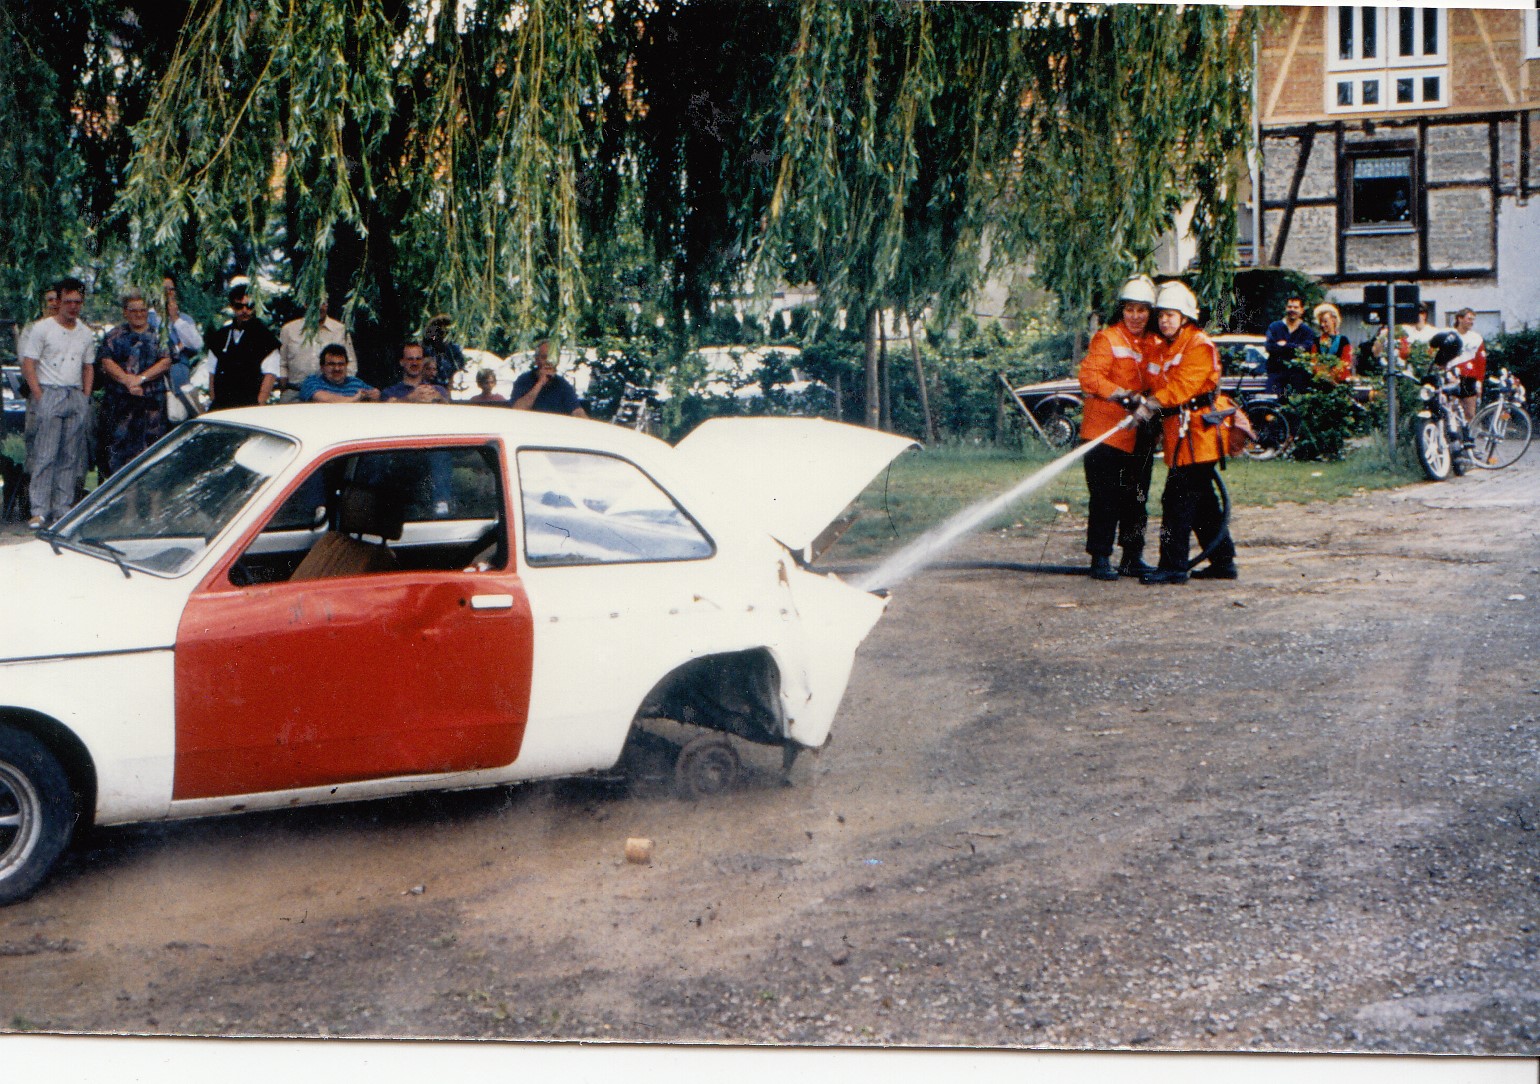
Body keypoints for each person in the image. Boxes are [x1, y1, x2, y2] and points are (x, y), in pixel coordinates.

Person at [1133, 281, 1238, 585]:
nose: (1165, 320)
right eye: (1161, 315)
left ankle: (1173, 566)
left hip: (1199, 435)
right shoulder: (1166, 347)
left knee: (1176, 499)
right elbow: (1156, 381)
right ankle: (1223, 562)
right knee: (1202, 501)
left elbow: (1183, 387)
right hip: (1183, 435)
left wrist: (1151, 404)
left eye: (1171, 315)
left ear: (1185, 317)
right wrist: (1140, 399)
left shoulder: (1198, 344)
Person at [1076, 274, 1159, 580]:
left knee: (1137, 497)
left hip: (1139, 434)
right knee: (1105, 498)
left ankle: (1132, 557)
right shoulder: (1107, 339)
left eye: (1142, 310)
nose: (1135, 316)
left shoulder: (1153, 344)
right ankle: (1100, 558)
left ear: (1151, 313)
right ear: (1121, 310)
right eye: (1130, 309)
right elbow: (1090, 378)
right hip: (1105, 435)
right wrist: (1124, 395)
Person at [20, 277, 95, 528]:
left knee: (70, 456)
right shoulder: (42, 329)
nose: (73, 307)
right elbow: (29, 363)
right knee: (45, 454)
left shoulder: (85, 332)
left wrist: (85, 396)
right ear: (59, 301)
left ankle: (62, 509)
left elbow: (88, 366)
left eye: (78, 302)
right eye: (68, 301)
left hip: (74, 394)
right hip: (49, 392)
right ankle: (39, 510)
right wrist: (39, 395)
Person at [96, 289, 171, 479]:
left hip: (151, 409)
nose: (138, 314)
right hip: (120, 407)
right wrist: (127, 380)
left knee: (152, 457)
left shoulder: (159, 335)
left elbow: (166, 361)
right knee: (116, 457)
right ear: (125, 312)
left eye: (142, 310)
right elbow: (106, 361)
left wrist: (141, 378)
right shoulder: (114, 335)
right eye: (133, 310)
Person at [205, 285, 281, 410]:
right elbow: (212, 374)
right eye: (239, 306)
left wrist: (258, 405)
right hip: (221, 405)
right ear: (232, 307)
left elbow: (270, 376)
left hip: (250, 406)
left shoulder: (266, 338)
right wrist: (215, 402)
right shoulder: (220, 337)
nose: (245, 310)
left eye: (249, 306)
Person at [16, 286, 61, 477]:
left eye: (57, 299)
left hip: (65, 396)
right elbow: (27, 363)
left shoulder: (71, 330)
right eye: (49, 300)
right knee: (37, 447)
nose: (53, 304)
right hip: (39, 394)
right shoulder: (31, 330)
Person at [279, 297, 356, 401]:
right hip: (295, 392)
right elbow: (282, 364)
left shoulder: (340, 330)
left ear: (327, 305)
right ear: (305, 305)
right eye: (314, 303)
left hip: (332, 394)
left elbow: (351, 364)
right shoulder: (289, 329)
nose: (319, 308)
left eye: (322, 303)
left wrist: (341, 388)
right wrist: (283, 387)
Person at [510, 340, 587, 417]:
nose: (548, 362)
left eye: (552, 358)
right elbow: (517, 410)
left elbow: (576, 410)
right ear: (536, 360)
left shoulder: (562, 385)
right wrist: (540, 383)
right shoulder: (524, 380)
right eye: (544, 357)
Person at [1264, 295, 1316, 396]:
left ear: (1302, 310)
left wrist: (1285, 345)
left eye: (1296, 307)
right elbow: (1269, 347)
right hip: (1276, 377)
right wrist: (1296, 348)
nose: (1292, 309)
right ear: (1286, 308)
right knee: (1271, 403)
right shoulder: (1274, 327)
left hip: (1298, 379)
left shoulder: (1307, 331)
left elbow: (1307, 349)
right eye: (1289, 306)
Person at [299, 343, 380, 402]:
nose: (337, 368)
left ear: (346, 365)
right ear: (322, 367)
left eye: (341, 364)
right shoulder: (312, 382)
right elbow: (324, 399)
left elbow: (375, 394)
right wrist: (354, 399)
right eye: (331, 364)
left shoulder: (356, 383)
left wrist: (375, 394)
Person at [1447, 308, 1486, 423]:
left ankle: (1469, 434)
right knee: (1451, 412)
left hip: (1469, 378)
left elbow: (1481, 362)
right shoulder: (1449, 335)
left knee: (1469, 413)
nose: (1471, 322)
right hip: (1452, 377)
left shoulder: (1476, 338)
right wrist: (1447, 374)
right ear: (1459, 319)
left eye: (1473, 319)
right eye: (1469, 319)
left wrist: (1479, 382)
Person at [380, 341, 450, 402]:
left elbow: (449, 410)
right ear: (402, 362)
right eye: (410, 359)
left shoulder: (439, 390)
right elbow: (388, 409)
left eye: (418, 359)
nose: (415, 363)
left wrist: (440, 399)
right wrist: (409, 398)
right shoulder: (390, 393)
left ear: (423, 361)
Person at [1311, 303, 1353, 383]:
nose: (1322, 325)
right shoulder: (1316, 341)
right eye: (1321, 322)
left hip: (1338, 382)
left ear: (1333, 320)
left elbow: (1346, 362)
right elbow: (1314, 361)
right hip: (1321, 382)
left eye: (1325, 321)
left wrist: (1332, 376)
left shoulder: (1343, 340)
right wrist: (1323, 375)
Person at [422, 315, 466, 390]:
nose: (443, 335)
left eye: (446, 331)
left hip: (446, 388)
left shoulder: (453, 349)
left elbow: (459, 366)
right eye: (439, 332)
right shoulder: (427, 349)